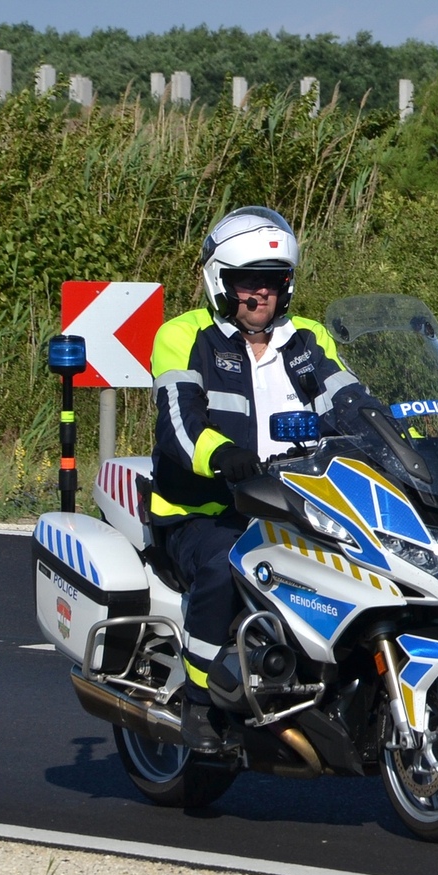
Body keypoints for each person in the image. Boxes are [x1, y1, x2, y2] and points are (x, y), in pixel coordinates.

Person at [149, 206, 378, 752]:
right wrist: (224, 455)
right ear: (220, 283)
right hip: (204, 512)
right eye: (247, 282)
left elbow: (350, 400)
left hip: (295, 503)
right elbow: (177, 427)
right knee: (226, 565)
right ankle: (200, 703)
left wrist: (394, 435)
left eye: (272, 283)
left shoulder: (307, 339)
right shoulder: (184, 336)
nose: (260, 295)